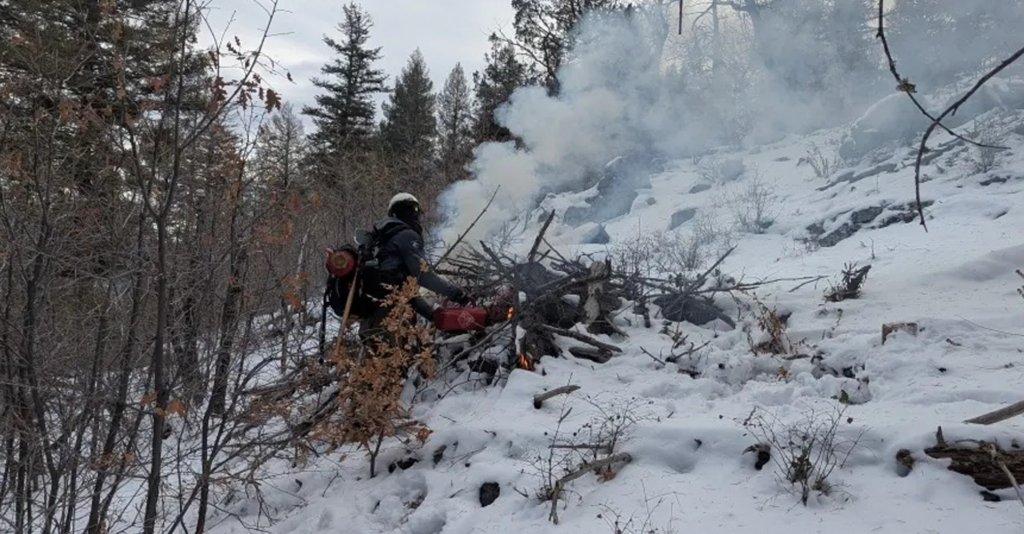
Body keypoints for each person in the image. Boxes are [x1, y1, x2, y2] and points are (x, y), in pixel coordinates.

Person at [358, 192, 470, 347]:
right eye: (414, 210)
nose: (417, 216)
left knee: (380, 369)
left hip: (373, 320)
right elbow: (423, 276)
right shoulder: (406, 235)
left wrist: (432, 316)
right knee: (393, 369)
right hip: (389, 320)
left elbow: (404, 292)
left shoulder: (383, 239)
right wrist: (458, 295)